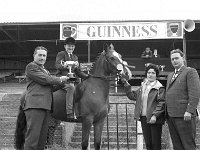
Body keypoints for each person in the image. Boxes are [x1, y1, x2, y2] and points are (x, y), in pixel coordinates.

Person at [23, 46, 69, 150]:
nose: (42, 57)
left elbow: (51, 87)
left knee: (42, 139)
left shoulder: (45, 70)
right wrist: (60, 79)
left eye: (44, 55)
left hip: (46, 107)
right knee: (33, 138)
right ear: (34, 55)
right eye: (40, 55)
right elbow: (46, 80)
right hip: (35, 106)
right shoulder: (31, 66)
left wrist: (64, 83)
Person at [121, 63, 165, 150]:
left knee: (155, 144)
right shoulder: (143, 87)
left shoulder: (159, 88)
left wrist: (155, 115)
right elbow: (132, 96)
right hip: (144, 118)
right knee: (148, 144)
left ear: (156, 75)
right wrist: (126, 84)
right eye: (149, 72)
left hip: (154, 119)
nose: (150, 75)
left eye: (153, 73)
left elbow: (162, 103)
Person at [165, 49, 200, 150]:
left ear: (183, 59)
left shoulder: (190, 71)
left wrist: (189, 111)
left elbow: (194, 93)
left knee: (188, 145)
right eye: (172, 59)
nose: (174, 61)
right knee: (177, 146)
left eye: (176, 58)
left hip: (185, 116)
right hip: (171, 116)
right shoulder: (170, 75)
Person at [55, 37, 89, 119]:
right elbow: (57, 66)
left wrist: (88, 76)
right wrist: (65, 65)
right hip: (62, 78)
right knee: (71, 87)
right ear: (65, 46)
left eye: (72, 46)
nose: (71, 48)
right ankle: (69, 112)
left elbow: (78, 72)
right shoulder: (61, 54)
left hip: (73, 79)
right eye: (69, 46)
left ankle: (81, 110)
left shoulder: (75, 57)